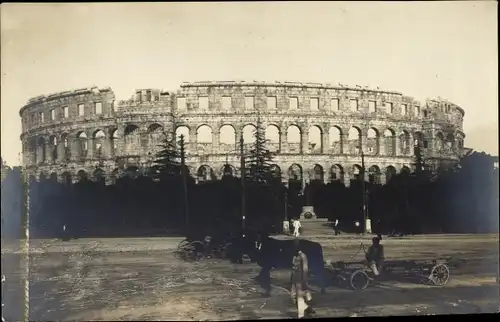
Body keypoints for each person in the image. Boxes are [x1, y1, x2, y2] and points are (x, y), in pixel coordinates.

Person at [290, 239, 315, 319]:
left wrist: (305, 280)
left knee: (299, 297)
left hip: (300, 279)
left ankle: (301, 314)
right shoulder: (295, 255)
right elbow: (293, 267)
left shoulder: (303, 256)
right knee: (293, 295)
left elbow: (305, 268)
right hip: (295, 278)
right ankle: (307, 308)